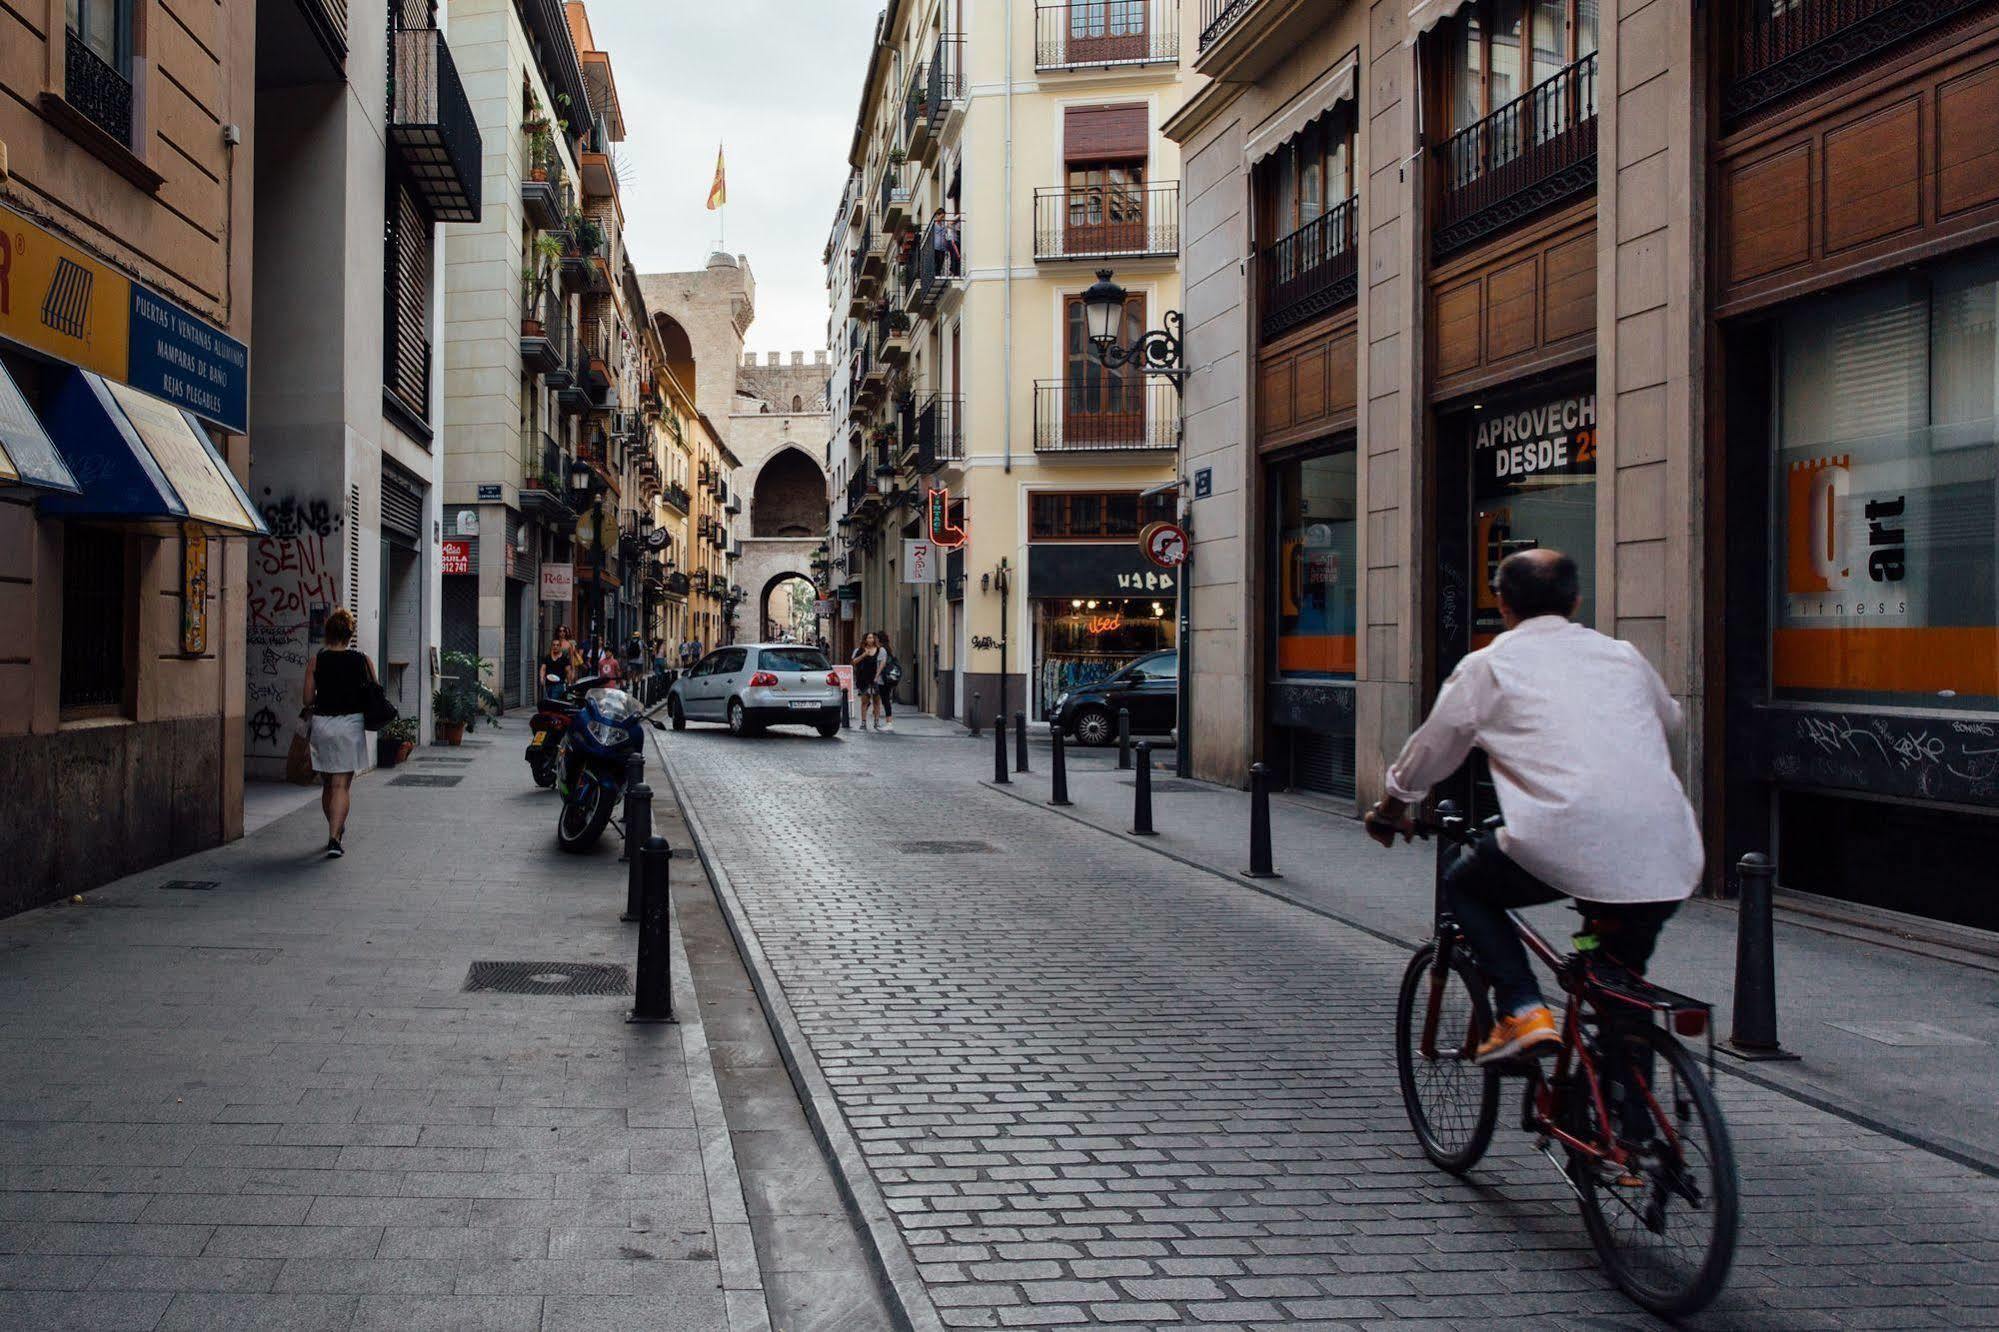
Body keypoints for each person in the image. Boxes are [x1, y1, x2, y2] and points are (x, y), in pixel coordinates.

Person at [1363, 549, 1701, 1064]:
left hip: (1559, 840)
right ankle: (1632, 1133)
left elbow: (1427, 755)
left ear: (1501, 604)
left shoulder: (1488, 666)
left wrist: (1390, 809)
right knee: (1620, 981)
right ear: (1576, 600)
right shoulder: (1623, 655)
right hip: (1668, 850)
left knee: (1463, 883)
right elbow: (1671, 719)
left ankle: (1522, 1007)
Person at [301, 607, 375, 859]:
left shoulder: (317, 660)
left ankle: (334, 826)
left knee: (328, 785)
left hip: (323, 726)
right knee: (341, 785)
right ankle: (335, 837)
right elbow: (375, 692)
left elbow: (308, 698)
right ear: (349, 634)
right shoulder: (362, 659)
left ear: (328, 632)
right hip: (350, 726)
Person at [850, 631, 885, 731]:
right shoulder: (860, 650)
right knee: (864, 701)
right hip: (864, 679)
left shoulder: (879, 650)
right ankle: (863, 723)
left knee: (876, 701)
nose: (871, 640)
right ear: (865, 639)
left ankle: (876, 722)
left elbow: (882, 663)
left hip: (876, 679)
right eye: (869, 638)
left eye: (872, 638)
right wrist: (863, 655)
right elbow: (853, 662)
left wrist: (877, 676)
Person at [874, 631, 898, 731]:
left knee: (885, 700)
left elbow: (882, 664)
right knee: (885, 700)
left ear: (879, 639)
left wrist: (876, 676)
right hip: (885, 679)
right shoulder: (886, 649)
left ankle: (889, 723)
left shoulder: (882, 650)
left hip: (883, 680)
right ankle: (889, 722)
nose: (875, 640)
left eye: (876, 638)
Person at [541, 626, 574, 697]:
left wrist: (572, 672)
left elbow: (571, 660)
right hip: (551, 675)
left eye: (563, 631)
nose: (562, 633)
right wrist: (542, 677)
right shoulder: (553, 645)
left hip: (563, 670)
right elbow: (546, 662)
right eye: (560, 631)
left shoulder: (569, 645)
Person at [929, 208, 961, 278]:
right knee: (936, 263)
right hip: (935, 246)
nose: (943, 218)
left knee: (940, 263)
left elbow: (950, 224)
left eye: (944, 217)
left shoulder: (943, 225)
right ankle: (935, 276)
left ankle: (938, 274)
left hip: (943, 247)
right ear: (937, 215)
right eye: (942, 216)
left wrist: (959, 215)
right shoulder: (933, 224)